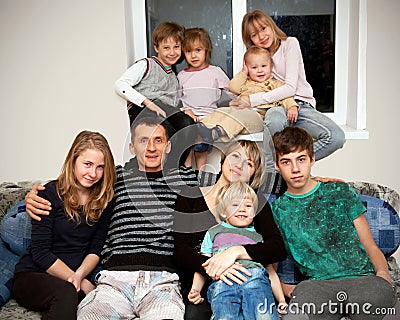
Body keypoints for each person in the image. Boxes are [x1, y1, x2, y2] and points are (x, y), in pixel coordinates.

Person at [25, 117, 200, 319]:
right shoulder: (113, 178)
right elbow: (71, 185)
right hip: (114, 280)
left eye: (158, 140)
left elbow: (231, 185)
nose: (151, 148)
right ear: (132, 147)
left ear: (168, 146)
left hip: (162, 281)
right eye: (144, 141)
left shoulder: (187, 177)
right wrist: (32, 196)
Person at [270, 126, 399, 320]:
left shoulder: (339, 191)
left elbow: (370, 245)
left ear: (312, 160)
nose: (295, 169)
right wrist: (284, 288)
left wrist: (383, 273)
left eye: (301, 159)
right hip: (316, 286)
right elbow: (271, 263)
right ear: (277, 166)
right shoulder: (277, 210)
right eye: (286, 162)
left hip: (363, 280)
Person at [232, 9, 346, 193]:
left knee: (336, 137)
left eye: (263, 28)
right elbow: (238, 87)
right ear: (249, 40)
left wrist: (251, 99)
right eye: (254, 34)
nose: (261, 36)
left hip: (298, 103)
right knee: (275, 120)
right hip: (274, 106)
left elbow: (290, 88)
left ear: (271, 25)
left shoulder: (289, 44)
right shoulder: (257, 58)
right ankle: (270, 176)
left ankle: (290, 164)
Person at [173, 139, 287, 320]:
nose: (239, 165)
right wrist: (217, 267)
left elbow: (277, 248)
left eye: (248, 163)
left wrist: (236, 251)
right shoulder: (191, 197)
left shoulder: (254, 204)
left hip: (251, 281)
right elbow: (180, 251)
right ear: (223, 159)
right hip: (205, 284)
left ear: (254, 173)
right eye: (235, 156)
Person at [12, 131, 116, 320]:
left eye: (100, 167)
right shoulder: (48, 195)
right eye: (88, 164)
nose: (93, 174)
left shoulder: (104, 200)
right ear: (73, 160)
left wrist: (80, 276)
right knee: (67, 293)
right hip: (34, 274)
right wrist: (78, 281)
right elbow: (41, 253)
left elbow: (96, 248)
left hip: (75, 276)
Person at [188, 181, 287, 319]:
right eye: (235, 205)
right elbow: (204, 264)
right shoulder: (214, 232)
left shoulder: (258, 238)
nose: (242, 209)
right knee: (225, 316)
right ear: (223, 211)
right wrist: (195, 289)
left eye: (248, 206)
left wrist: (281, 300)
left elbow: (270, 271)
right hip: (224, 283)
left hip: (255, 279)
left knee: (263, 315)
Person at [114, 21, 196, 168]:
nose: (172, 52)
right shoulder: (146, 65)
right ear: (156, 47)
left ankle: (176, 168)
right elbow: (120, 85)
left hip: (164, 109)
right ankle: (137, 167)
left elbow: (173, 104)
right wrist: (147, 102)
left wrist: (185, 111)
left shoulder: (173, 78)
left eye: (176, 47)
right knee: (165, 131)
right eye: (166, 48)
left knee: (188, 126)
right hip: (144, 110)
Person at [229, 45, 298, 171]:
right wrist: (244, 73)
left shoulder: (276, 84)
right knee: (233, 114)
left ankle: (271, 164)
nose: (260, 71)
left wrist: (293, 106)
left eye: (263, 66)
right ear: (247, 68)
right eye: (254, 67)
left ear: (271, 67)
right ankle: (221, 130)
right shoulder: (246, 84)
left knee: (275, 117)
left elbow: (286, 97)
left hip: (270, 112)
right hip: (253, 115)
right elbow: (233, 87)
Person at [177, 27, 230, 169]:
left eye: (198, 50)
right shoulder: (182, 76)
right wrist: (185, 110)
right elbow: (176, 100)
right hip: (190, 117)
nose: (193, 55)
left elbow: (232, 93)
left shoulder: (215, 72)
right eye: (189, 51)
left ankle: (200, 177)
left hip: (210, 117)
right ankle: (187, 175)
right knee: (187, 141)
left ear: (207, 49)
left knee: (201, 141)